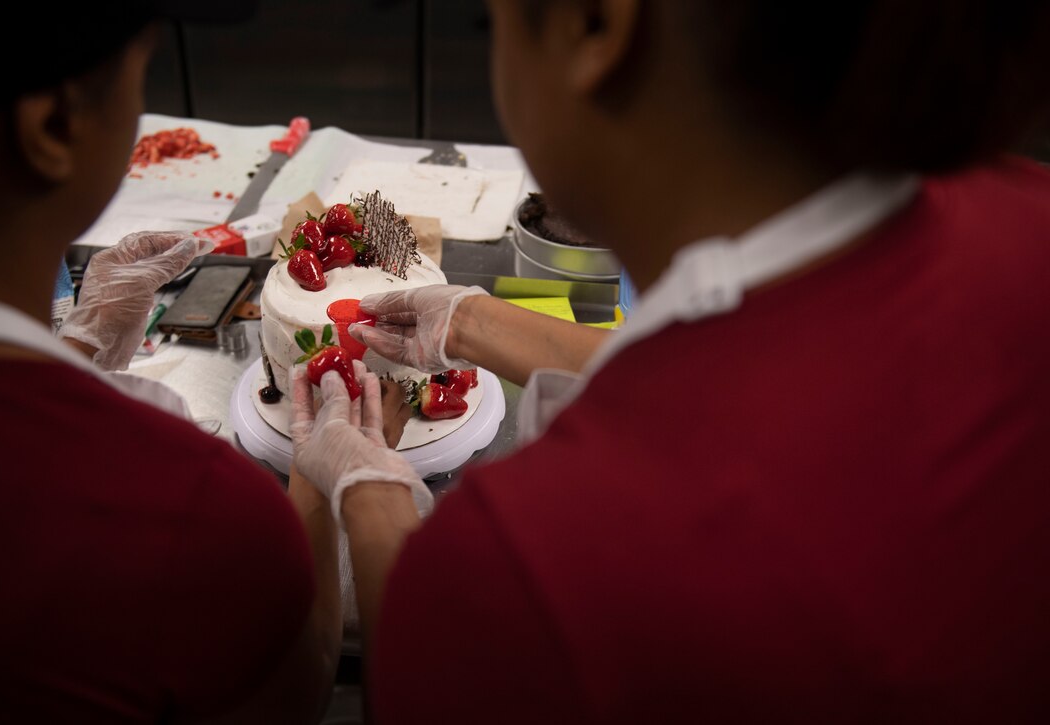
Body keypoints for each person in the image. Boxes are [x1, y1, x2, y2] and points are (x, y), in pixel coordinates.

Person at [292, 0, 1050, 722]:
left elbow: (436, 666)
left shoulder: (531, 574)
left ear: (596, 22)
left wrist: (369, 493)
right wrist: (475, 321)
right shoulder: (1028, 222)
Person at [0, 4, 342, 722]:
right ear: (51, 127)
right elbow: (302, 681)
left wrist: (81, 348)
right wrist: (316, 464)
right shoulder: (195, 513)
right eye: (141, 72)